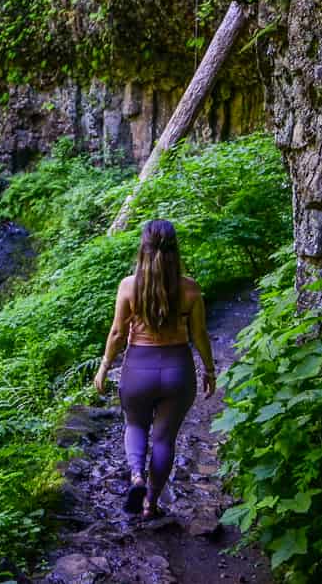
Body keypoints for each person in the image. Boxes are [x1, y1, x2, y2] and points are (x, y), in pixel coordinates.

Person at [92, 219, 216, 519]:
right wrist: (209, 370)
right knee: (163, 439)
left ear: (143, 249)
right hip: (178, 370)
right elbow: (199, 334)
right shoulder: (190, 289)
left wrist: (105, 366)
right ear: (175, 250)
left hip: (138, 368)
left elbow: (117, 334)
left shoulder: (128, 286)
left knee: (135, 425)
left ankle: (136, 476)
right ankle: (151, 503)